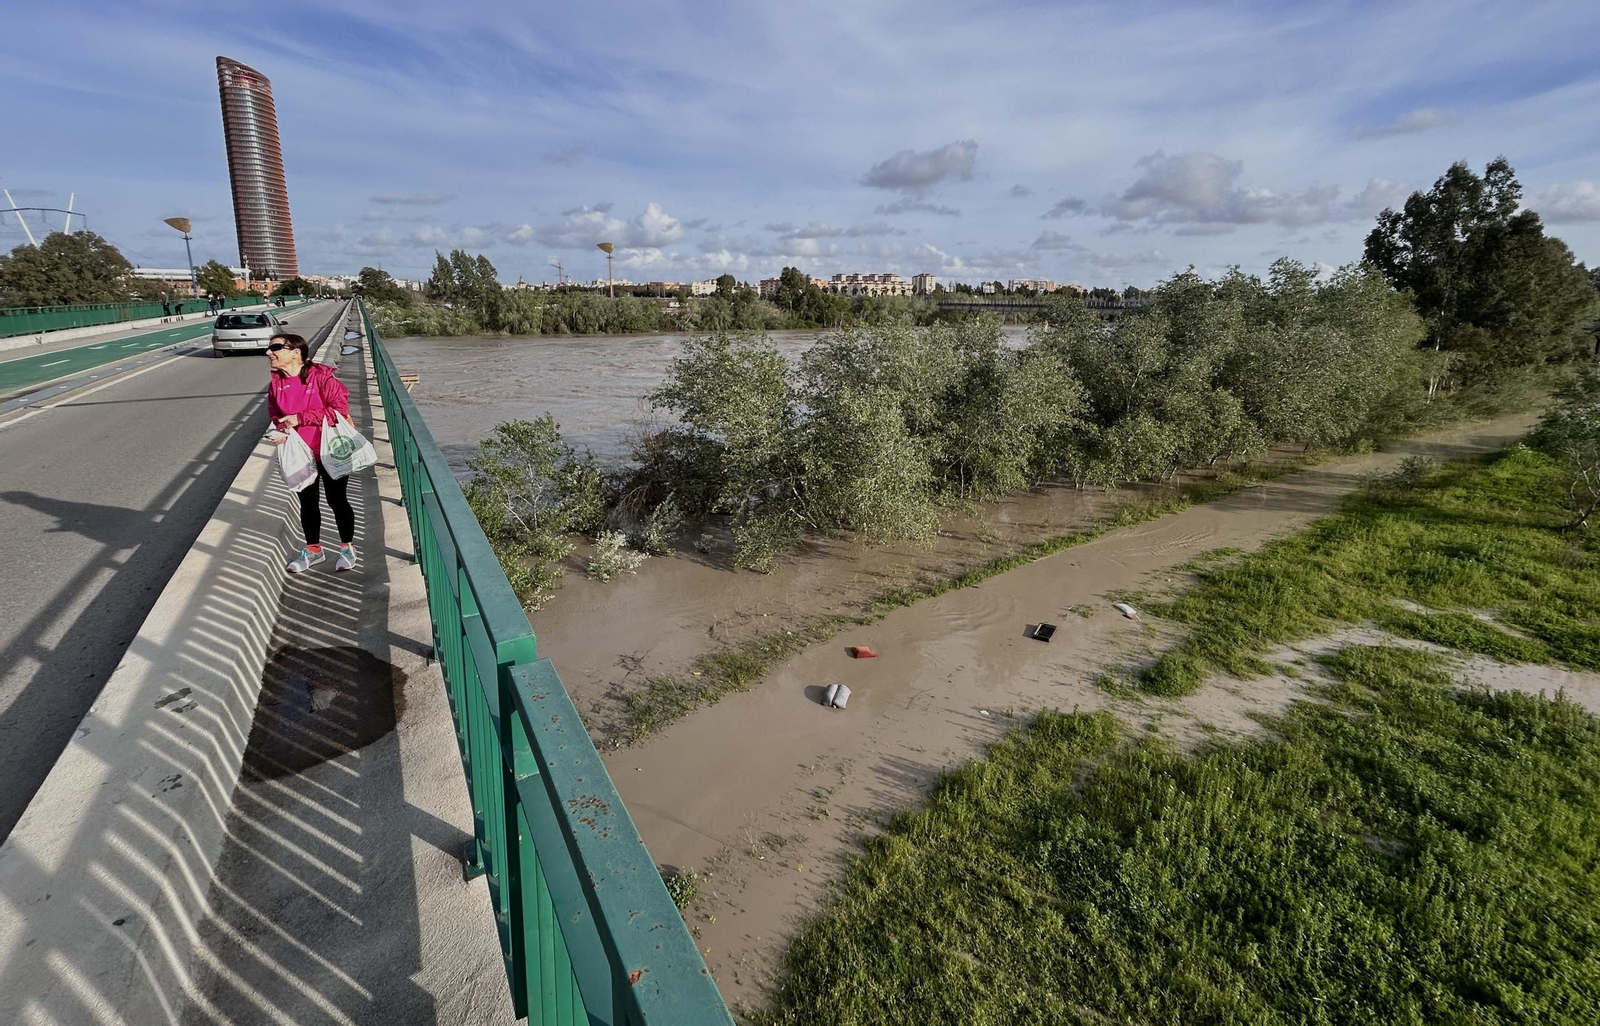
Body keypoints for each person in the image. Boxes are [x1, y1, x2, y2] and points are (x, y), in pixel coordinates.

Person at [265, 333, 359, 573]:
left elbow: (339, 410)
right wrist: (282, 429)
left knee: (336, 500)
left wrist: (300, 418)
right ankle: (314, 550)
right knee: (307, 502)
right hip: (299, 452)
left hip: (329, 449)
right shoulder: (276, 382)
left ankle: (347, 548)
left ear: (296, 352)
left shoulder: (321, 377)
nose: (269, 353)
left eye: (275, 347)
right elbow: (275, 413)